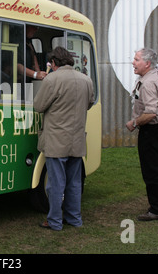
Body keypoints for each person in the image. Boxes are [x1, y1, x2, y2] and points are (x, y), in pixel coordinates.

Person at [34, 46, 94, 230]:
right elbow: (89, 103)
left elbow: (38, 106)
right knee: (74, 182)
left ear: (53, 63)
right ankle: (74, 219)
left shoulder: (52, 79)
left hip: (56, 139)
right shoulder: (86, 80)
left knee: (55, 184)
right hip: (76, 138)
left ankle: (54, 221)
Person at [126, 48, 158, 221]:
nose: (133, 62)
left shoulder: (148, 83)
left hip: (152, 130)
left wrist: (134, 123)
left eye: (137, 59)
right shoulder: (155, 76)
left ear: (147, 63)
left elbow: (151, 112)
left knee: (152, 170)